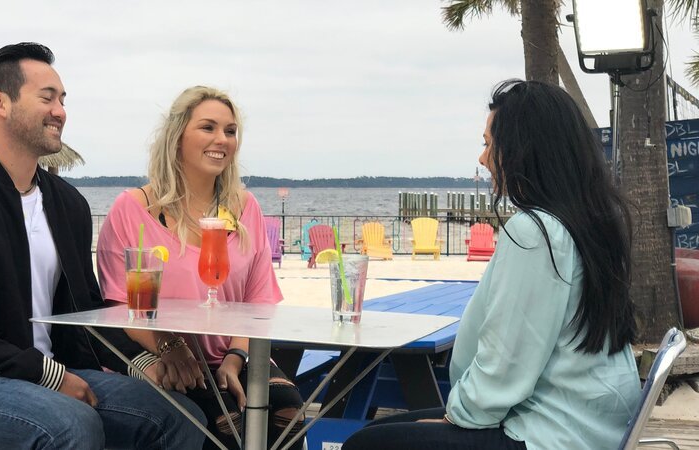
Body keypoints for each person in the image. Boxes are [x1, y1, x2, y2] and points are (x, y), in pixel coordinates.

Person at [0, 42, 206, 450]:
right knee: (71, 424)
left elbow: (85, 314)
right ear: (0, 103)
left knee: (180, 417)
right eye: (47, 98)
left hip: (53, 371)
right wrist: (49, 375)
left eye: (62, 99)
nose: (60, 110)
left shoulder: (68, 204)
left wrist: (142, 361)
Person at [343, 80, 642, 450]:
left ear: (522, 149)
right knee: (383, 433)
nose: (483, 159)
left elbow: (506, 365)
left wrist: (458, 417)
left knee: (365, 445)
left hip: (547, 434)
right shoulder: (589, 223)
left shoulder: (536, 233)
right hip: (582, 424)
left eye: (488, 144)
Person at [97, 86, 305, 449]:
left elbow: (258, 304)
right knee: (223, 422)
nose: (221, 139)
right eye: (208, 127)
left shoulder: (244, 208)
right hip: (157, 350)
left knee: (287, 410)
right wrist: (170, 345)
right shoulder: (133, 210)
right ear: (177, 136)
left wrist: (236, 358)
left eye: (230, 130)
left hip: (233, 352)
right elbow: (120, 307)